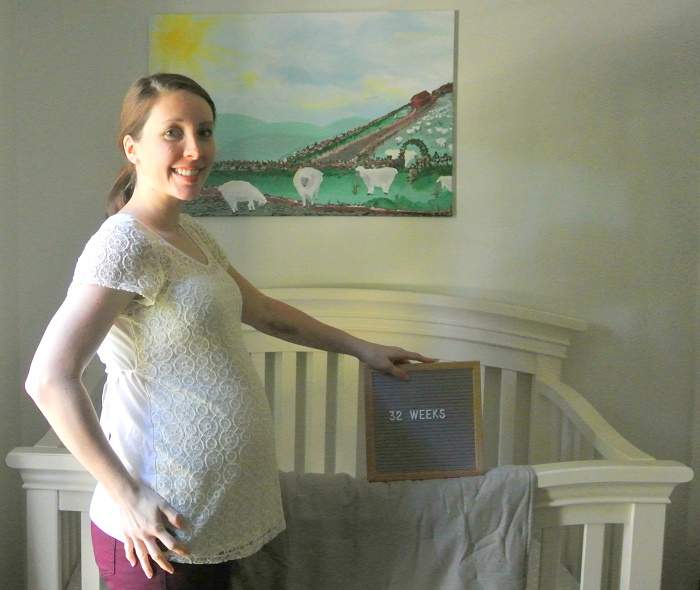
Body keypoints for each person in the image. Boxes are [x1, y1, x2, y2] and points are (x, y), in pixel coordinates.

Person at [24, 73, 435, 590]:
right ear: (132, 148)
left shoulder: (190, 233)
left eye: (205, 131)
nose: (195, 149)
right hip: (160, 530)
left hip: (215, 515)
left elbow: (262, 310)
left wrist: (361, 349)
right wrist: (127, 497)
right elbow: (49, 379)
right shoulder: (123, 242)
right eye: (172, 132)